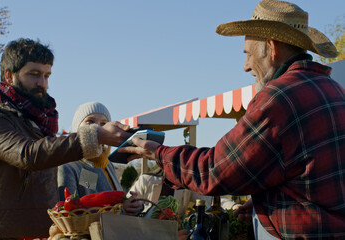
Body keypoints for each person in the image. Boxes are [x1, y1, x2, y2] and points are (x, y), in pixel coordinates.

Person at [121, 0, 344, 239]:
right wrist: (266, 203)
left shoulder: (278, 98)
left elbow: (214, 170)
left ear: (270, 47)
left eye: (248, 53)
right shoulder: (334, 90)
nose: (246, 66)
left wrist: (158, 153)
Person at [0, 38, 130, 239]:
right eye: (34, 74)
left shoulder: (39, 124)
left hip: (45, 233)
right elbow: (27, 154)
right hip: (5, 234)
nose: (42, 83)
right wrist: (95, 136)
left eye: (47, 76)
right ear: (9, 76)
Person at [58, 101, 143, 215]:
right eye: (90, 122)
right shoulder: (70, 167)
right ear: (77, 129)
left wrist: (132, 204)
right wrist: (121, 208)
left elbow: (110, 198)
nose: (97, 127)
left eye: (103, 124)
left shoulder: (108, 164)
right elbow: (71, 212)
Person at [128, 168, 239, 218]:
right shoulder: (146, 181)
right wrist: (135, 207)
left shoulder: (186, 187)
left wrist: (234, 207)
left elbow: (210, 199)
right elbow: (127, 203)